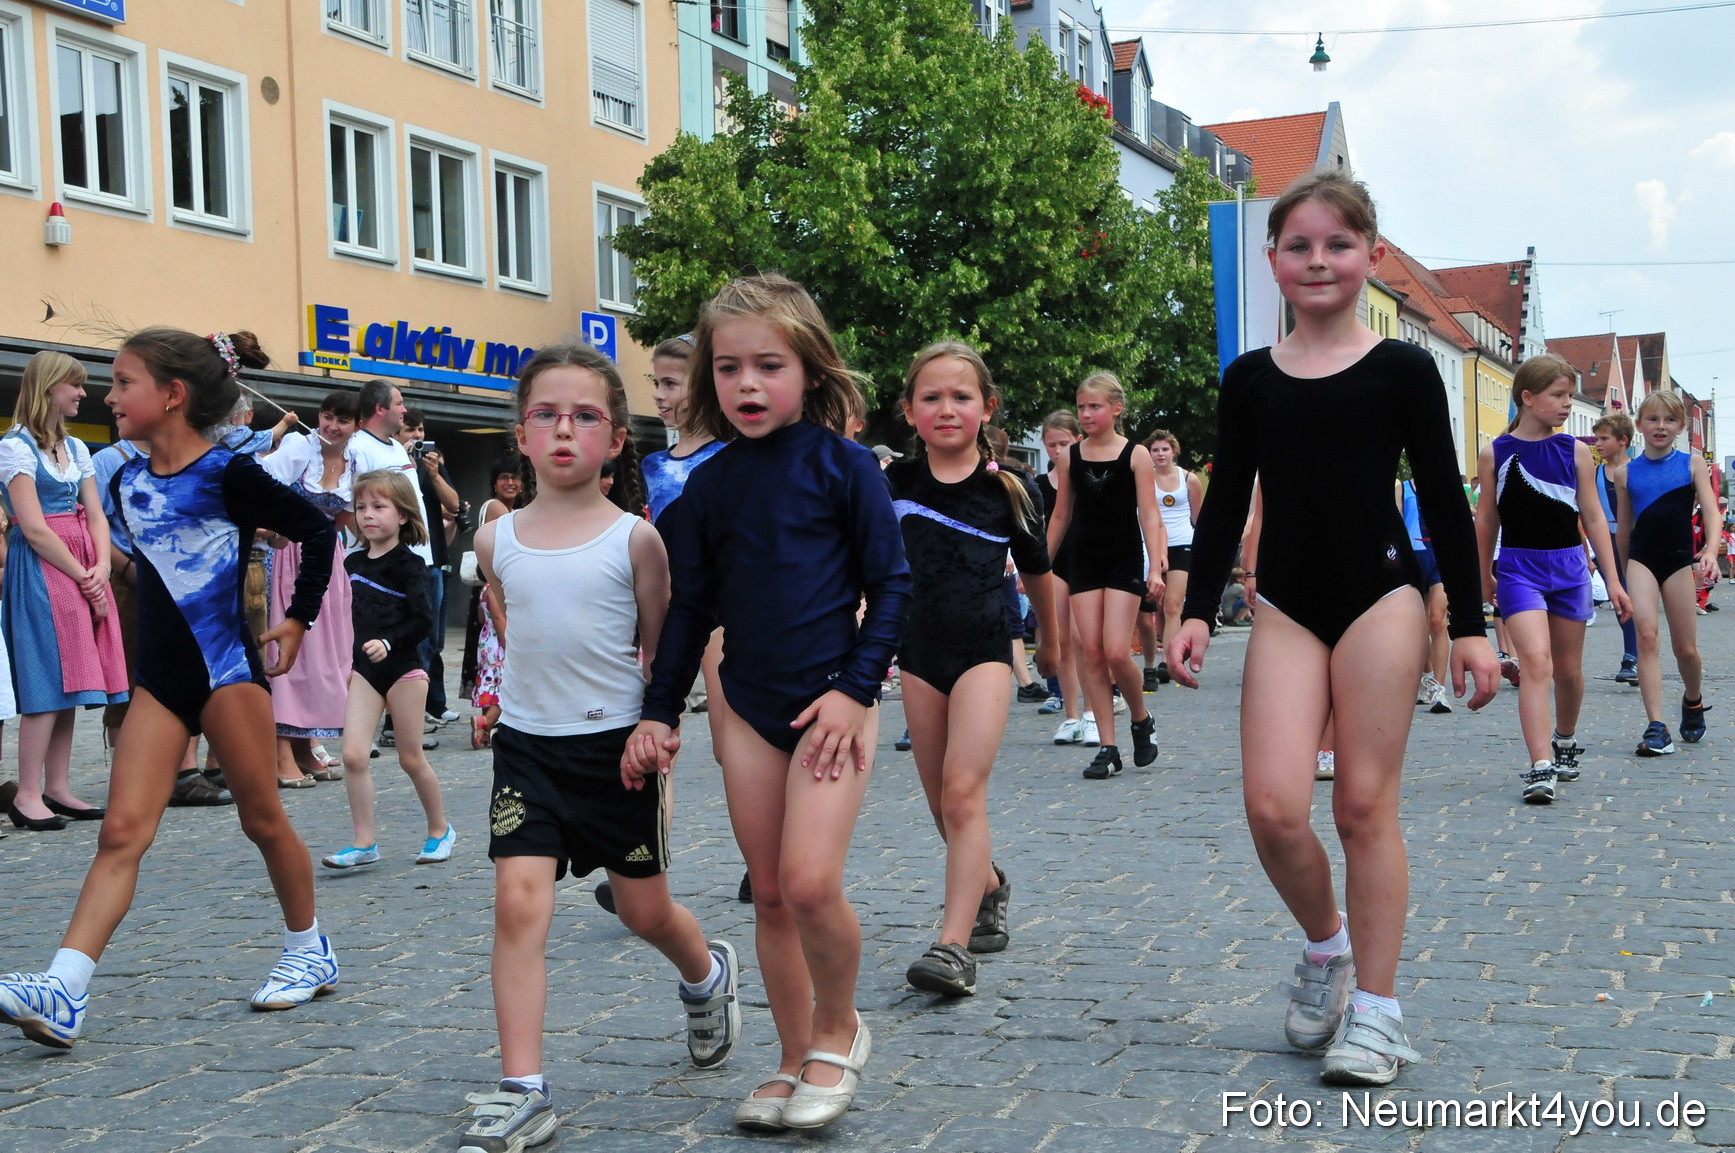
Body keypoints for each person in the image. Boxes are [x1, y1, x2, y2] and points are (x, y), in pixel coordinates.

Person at [1168, 171, 1498, 1087]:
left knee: (1360, 804)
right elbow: (1228, 495)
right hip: (1282, 603)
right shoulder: (1249, 379)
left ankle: (1379, 1014)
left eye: (1337, 245)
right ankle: (1325, 947)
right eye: (1299, 246)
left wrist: (1467, 625)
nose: (1318, 260)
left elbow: (1441, 493)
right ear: (1272, 262)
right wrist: (1195, 608)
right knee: (1273, 807)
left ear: (1371, 258)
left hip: (1381, 596)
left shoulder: (1402, 369)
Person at [625, 274, 911, 1133]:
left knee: (813, 882)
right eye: (728, 367)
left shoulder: (845, 464)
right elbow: (691, 611)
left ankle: (839, 1025)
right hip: (747, 710)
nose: (747, 385)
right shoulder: (703, 489)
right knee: (773, 896)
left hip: (830, 703)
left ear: (809, 370)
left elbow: (890, 584)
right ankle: (790, 1056)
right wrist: (659, 710)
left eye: (768, 365)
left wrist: (855, 693)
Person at [0, 329, 340, 1050]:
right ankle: (65, 986)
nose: (107, 396)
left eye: (123, 383)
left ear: (172, 395)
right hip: (159, 681)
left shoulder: (229, 473)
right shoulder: (123, 479)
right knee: (122, 832)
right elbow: (146, 567)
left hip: (225, 674)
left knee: (263, 820)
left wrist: (298, 617)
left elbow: (317, 530)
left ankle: (308, 947)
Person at [458, 343, 739, 1153]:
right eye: (546, 414)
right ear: (520, 433)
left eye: (584, 416)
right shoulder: (496, 541)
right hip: (528, 751)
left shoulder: (635, 542)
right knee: (517, 903)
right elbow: (513, 634)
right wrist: (493, 701)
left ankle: (706, 975)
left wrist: (659, 729)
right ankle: (522, 1087)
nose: (563, 430)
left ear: (616, 440)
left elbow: (659, 652)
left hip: (613, 750)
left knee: (645, 909)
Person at [887, 342, 1057, 998]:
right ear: (909, 410)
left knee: (962, 792)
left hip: (986, 650)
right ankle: (988, 882)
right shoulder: (892, 484)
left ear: (986, 407)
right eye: (930, 397)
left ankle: (951, 945)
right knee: (939, 802)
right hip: (919, 654)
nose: (946, 408)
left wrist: (1050, 646)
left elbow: (1039, 574)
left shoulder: (1009, 488)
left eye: (961, 396)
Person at [1474, 355, 1630, 803]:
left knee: (1568, 671)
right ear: (1527, 397)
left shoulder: (1576, 451)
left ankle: (1564, 739)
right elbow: (1486, 518)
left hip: (1568, 569)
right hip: (1519, 569)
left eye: (1568, 396)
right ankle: (1540, 764)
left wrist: (1614, 580)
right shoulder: (1496, 452)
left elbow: (1595, 516)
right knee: (1536, 663)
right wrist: (1483, 571)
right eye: (1558, 396)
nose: (1567, 405)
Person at [0, 351, 128, 831]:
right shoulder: (14, 447)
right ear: (49, 387)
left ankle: (57, 786)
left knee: (73, 678)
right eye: (74, 385)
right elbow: (32, 528)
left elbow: (96, 514)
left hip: (81, 565)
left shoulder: (76, 450)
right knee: (46, 678)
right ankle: (27, 792)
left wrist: (100, 567)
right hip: (43, 567)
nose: (83, 393)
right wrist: (83, 571)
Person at [321, 470, 453, 870]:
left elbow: (422, 621)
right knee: (353, 754)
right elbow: (340, 614)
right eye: (361, 507)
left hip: (405, 673)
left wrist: (390, 642)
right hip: (364, 673)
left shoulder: (410, 564)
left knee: (411, 758)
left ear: (402, 514)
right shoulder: (352, 560)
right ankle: (364, 842)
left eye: (378, 507)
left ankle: (440, 830)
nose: (367, 515)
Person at [1041, 372, 1165, 779]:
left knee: (1115, 650)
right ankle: (1108, 747)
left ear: (1116, 408)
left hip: (1124, 558)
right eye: (1081, 407)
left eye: (1094, 406)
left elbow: (1149, 513)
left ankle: (1141, 719)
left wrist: (1156, 563)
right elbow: (1061, 515)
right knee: (1088, 650)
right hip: (1084, 560)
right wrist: (1042, 563)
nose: (1086, 414)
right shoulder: (1070, 457)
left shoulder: (1136, 454)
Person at [1613, 389, 1722, 755]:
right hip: (1641, 560)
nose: (1661, 426)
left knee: (1685, 649)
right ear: (1640, 424)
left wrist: (1708, 550)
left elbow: (1710, 512)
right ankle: (1656, 726)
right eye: (1653, 419)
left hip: (1679, 560)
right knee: (1646, 638)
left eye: (1669, 420)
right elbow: (1625, 527)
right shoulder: (1625, 472)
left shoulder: (1692, 465)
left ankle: (1692, 699)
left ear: (1681, 426)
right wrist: (1622, 575)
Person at [262, 391, 358, 787]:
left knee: (324, 655)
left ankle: (306, 744)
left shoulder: (357, 459)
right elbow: (260, 484)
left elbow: (348, 516)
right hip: (288, 555)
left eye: (342, 420)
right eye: (327, 416)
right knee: (290, 654)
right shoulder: (300, 447)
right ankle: (279, 751)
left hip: (327, 560)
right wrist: (278, 529)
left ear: (357, 425)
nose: (332, 426)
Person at [346, 381, 440, 751]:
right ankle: (370, 726)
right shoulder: (359, 447)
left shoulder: (397, 449)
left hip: (416, 557)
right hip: (373, 564)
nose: (405, 410)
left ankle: (400, 721)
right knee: (373, 641)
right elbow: (359, 501)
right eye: (399, 403)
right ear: (380, 408)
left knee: (419, 639)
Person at [1033, 412, 1093, 744]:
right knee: (1063, 641)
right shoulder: (1040, 486)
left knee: (1085, 641)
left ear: (1077, 441)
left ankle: (1092, 711)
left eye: (1064, 443)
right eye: (1052, 444)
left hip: (1086, 559)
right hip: (1054, 562)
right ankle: (1071, 716)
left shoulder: (1087, 479)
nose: (1057, 450)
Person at [399, 407, 460, 727]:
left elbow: (453, 505)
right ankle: (409, 710)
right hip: (409, 561)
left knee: (434, 641)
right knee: (417, 639)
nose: (419, 436)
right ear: (398, 434)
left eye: (421, 429)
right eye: (412, 430)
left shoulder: (432, 465)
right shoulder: (395, 463)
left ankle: (435, 703)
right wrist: (405, 464)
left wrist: (435, 474)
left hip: (435, 560)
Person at [467, 461, 520, 750]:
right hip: (500, 640)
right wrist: (508, 641)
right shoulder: (498, 509)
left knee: (500, 691)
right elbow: (498, 618)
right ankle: (486, 723)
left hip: (492, 636)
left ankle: (486, 728)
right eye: (504, 477)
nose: (510, 482)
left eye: (515, 477)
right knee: (506, 689)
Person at [1147, 430, 1201, 688]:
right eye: (1155, 450)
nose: (1160, 454)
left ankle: (1170, 662)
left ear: (1174, 451)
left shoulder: (1189, 479)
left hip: (1183, 544)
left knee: (1172, 606)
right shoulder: (1145, 478)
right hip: (1153, 545)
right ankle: (1168, 647)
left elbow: (1198, 519)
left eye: (1165, 449)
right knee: (1157, 607)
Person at [1591, 413, 1640, 685]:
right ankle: (1632, 654)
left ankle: (1635, 654)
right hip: (1606, 541)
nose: (1597, 444)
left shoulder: (1637, 469)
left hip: (1635, 539)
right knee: (1620, 597)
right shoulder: (1595, 473)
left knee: (1633, 596)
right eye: (1597, 438)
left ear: (1623, 441)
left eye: (1603, 439)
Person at [1398, 480, 1454, 714]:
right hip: (1413, 557)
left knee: (1437, 620)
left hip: (1440, 557)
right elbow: (1394, 522)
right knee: (1419, 626)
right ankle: (1427, 676)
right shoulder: (1403, 488)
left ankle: (1439, 690)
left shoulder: (1443, 486)